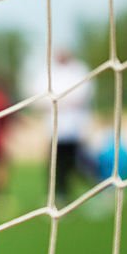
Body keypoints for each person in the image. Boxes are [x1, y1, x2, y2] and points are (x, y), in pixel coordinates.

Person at [35, 49, 96, 205]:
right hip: (55, 129)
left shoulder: (79, 70)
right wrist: (57, 102)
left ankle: (98, 190)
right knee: (55, 164)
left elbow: (82, 95)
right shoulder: (48, 73)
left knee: (78, 162)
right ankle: (59, 195)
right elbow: (40, 98)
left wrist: (60, 101)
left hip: (75, 128)